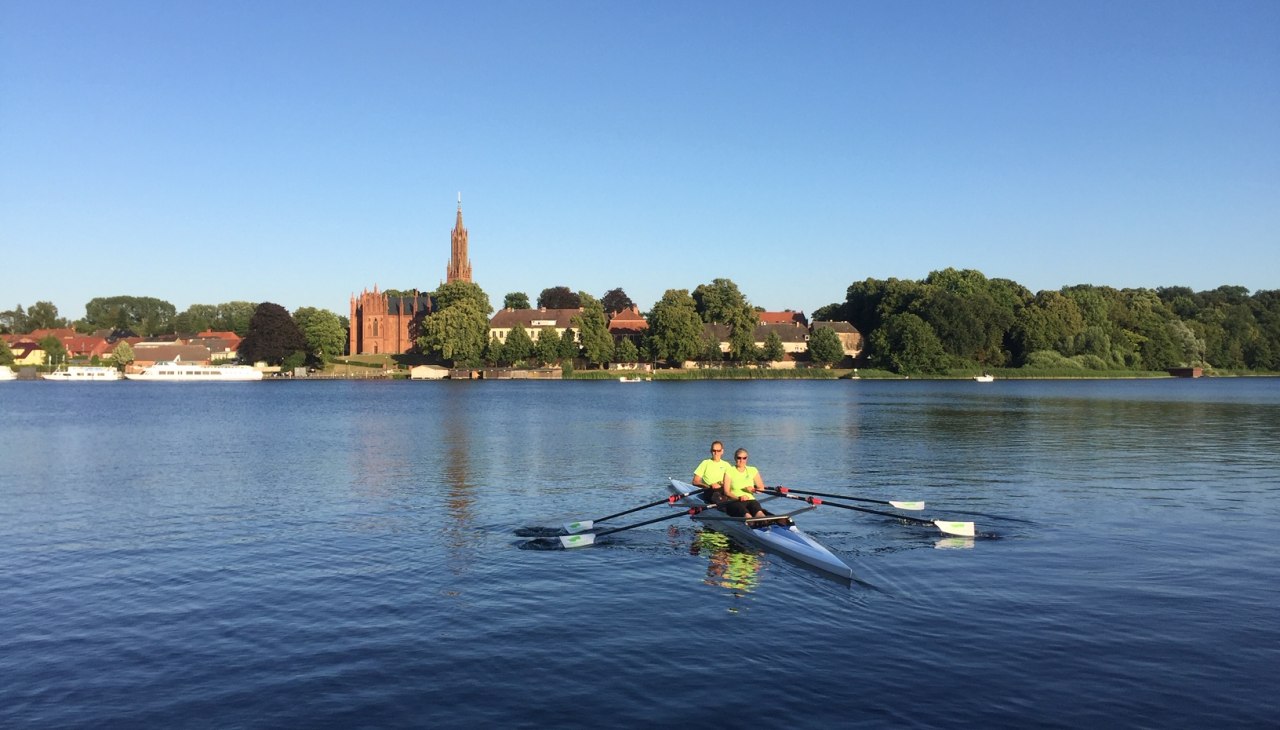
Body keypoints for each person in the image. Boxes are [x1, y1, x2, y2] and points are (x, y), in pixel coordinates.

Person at [722, 449, 791, 527]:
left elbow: (761, 488)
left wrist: (754, 490)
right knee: (748, 516)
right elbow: (726, 492)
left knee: (760, 514)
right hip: (734, 501)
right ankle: (752, 526)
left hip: (751, 500)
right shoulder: (729, 471)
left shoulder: (753, 470)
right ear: (735, 458)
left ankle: (767, 526)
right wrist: (739, 497)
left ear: (747, 458)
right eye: (739, 458)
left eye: (744, 458)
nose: (741, 460)